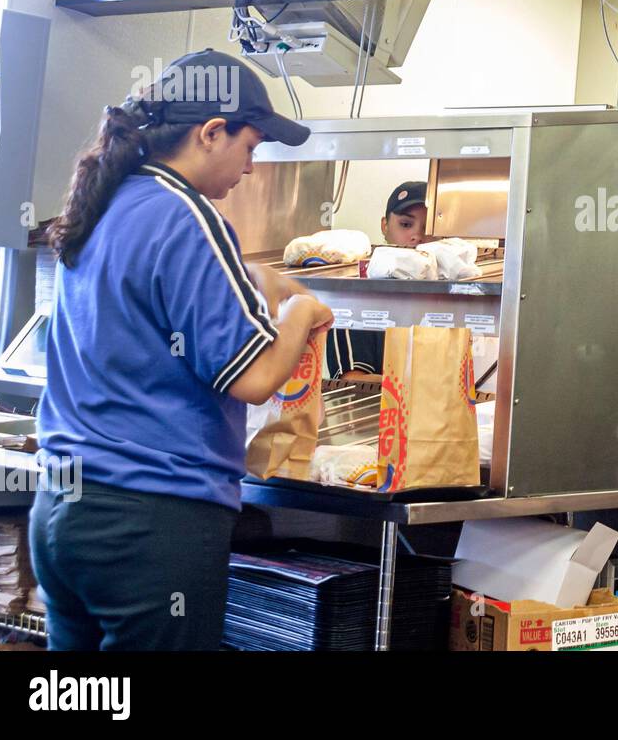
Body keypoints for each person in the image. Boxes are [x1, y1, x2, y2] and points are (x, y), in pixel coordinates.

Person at [32, 49, 334, 650]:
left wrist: (256, 282)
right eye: (250, 148)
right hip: (150, 524)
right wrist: (301, 311)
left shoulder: (106, 203)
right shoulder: (188, 214)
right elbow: (252, 379)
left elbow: (160, 295)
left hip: (63, 514)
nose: (250, 169)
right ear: (211, 132)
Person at [325, 180, 431, 382]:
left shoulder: (444, 298)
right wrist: (423, 389)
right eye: (406, 225)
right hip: (373, 411)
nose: (417, 236)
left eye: (427, 227)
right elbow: (352, 378)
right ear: (385, 225)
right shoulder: (358, 295)